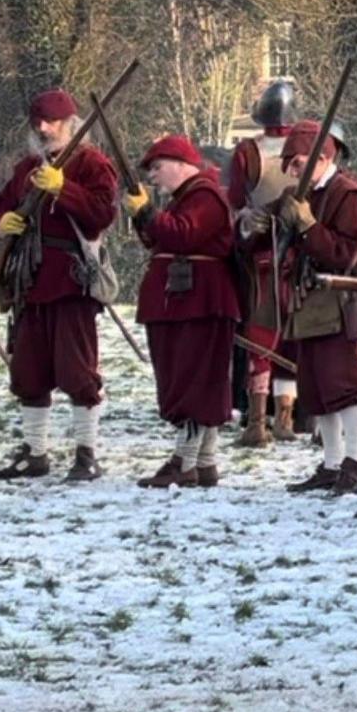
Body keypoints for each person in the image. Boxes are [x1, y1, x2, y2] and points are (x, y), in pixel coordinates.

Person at [0, 89, 119, 483]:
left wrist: (65, 188)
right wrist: (3, 221)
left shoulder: (93, 165)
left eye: (51, 122)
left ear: (70, 124)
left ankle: (86, 453)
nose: (43, 129)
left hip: (72, 281)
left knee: (79, 374)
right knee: (29, 373)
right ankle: (35, 453)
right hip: (31, 281)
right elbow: (3, 204)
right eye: (38, 122)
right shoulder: (27, 167)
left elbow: (101, 216)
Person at [276, 119, 357, 497]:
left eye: (298, 161)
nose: (293, 169)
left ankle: (353, 464)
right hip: (312, 297)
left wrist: (307, 227)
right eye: (290, 163)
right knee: (315, 384)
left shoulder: (348, 194)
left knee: (342, 384)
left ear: (322, 157)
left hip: (341, 298)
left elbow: (344, 255)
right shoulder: (310, 193)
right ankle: (330, 464)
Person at [125, 135, 239, 488]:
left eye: (158, 167)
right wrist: (145, 218)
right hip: (184, 301)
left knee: (192, 380)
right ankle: (203, 462)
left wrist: (147, 212)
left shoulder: (204, 196)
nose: (154, 177)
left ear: (181, 164)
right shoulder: (185, 199)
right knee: (194, 378)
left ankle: (185, 462)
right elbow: (163, 238)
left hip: (196, 302)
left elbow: (183, 236)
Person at [227, 78, 300, 447]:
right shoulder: (311, 143)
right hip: (293, 251)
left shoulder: (247, 152)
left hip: (267, 255)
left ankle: (260, 420)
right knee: (289, 337)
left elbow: (237, 200)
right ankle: (280, 418)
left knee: (261, 335)